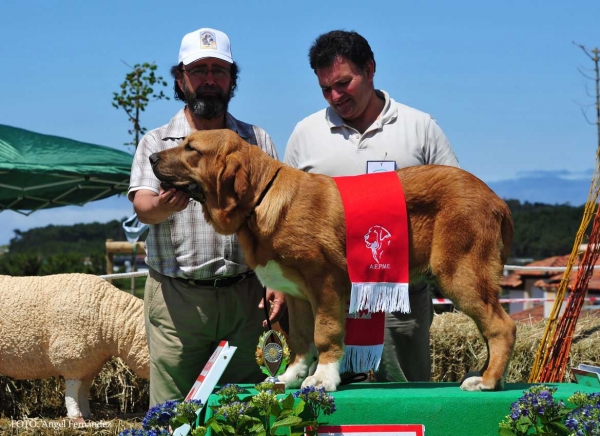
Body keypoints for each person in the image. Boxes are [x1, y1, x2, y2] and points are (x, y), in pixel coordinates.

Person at [284, 30, 459, 383]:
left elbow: (453, 199)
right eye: (325, 89)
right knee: (331, 411)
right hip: (329, 303)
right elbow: (289, 218)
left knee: (405, 404)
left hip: (402, 299)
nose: (335, 96)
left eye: (343, 83)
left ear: (371, 68)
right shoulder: (305, 134)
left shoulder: (420, 127)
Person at [129, 27, 285, 406]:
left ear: (232, 80)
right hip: (178, 301)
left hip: (246, 299)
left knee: (248, 408)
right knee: (174, 413)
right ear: (181, 79)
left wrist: (277, 277)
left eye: (220, 70)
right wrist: (165, 206)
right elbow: (143, 206)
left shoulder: (256, 141)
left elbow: (276, 219)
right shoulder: (157, 142)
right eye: (200, 71)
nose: (210, 80)